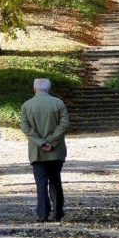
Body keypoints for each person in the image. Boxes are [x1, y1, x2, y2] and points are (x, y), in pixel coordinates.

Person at [20, 78, 70, 222]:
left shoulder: (26, 106)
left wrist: (41, 143)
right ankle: (58, 212)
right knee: (55, 181)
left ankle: (43, 213)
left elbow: (26, 128)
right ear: (49, 89)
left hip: (37, 151)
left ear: (34, 89)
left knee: (41, 183)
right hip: (56, 151)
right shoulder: (58, 103)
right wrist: (51, 142)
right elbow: (64, 124)